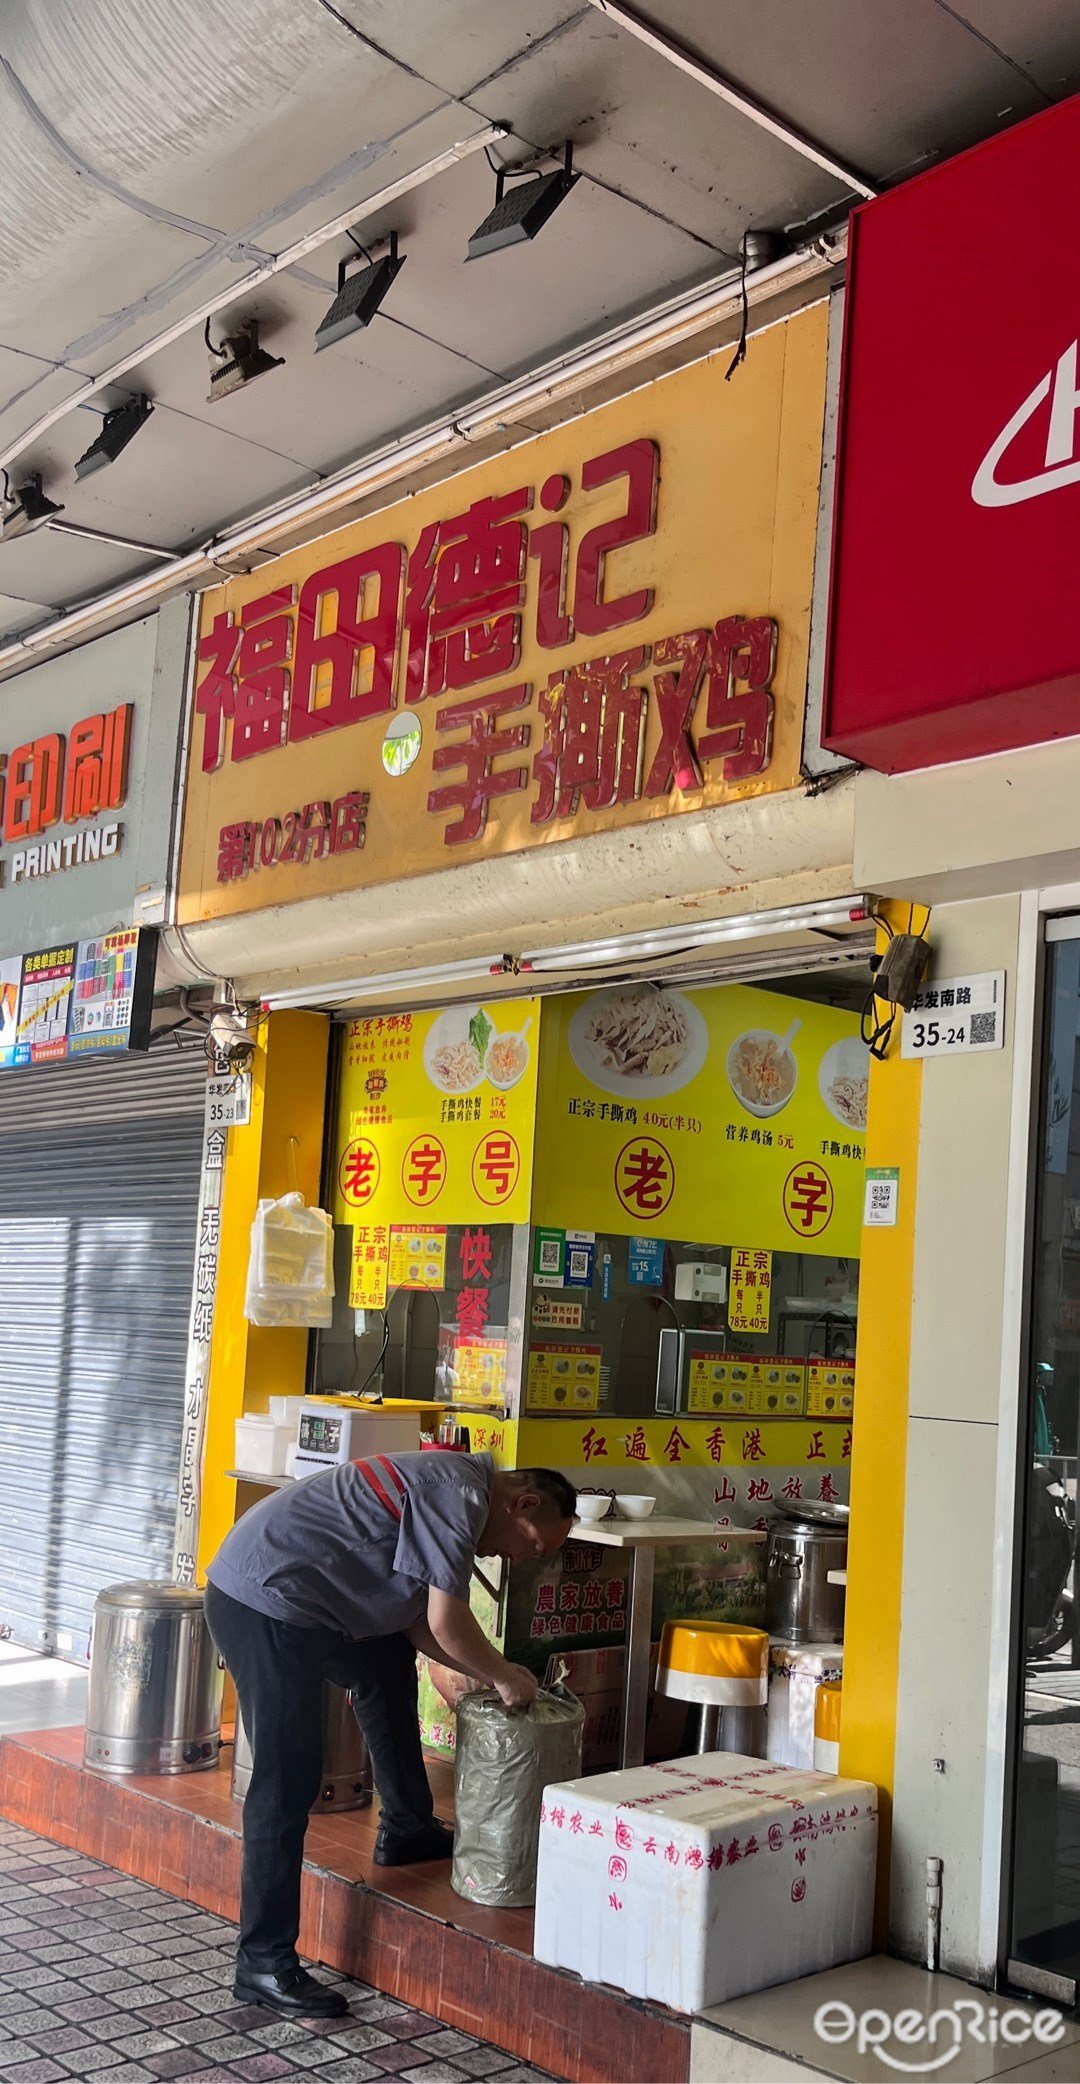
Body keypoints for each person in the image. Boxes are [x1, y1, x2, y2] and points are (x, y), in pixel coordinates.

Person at [205, 1450, 576, 2018]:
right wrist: (503, 1675)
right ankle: (263, 1961)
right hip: (264, 1599)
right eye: (533, 1545)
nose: (519, 1558)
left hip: (304, 1601)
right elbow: (447, 1623)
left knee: (383, 1668)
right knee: (288, 1777)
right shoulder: (460, 1495)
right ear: (523, 1504)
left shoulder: (456, 1490)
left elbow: (415, 1623)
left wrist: (494, 1673)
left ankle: (407, 1827)